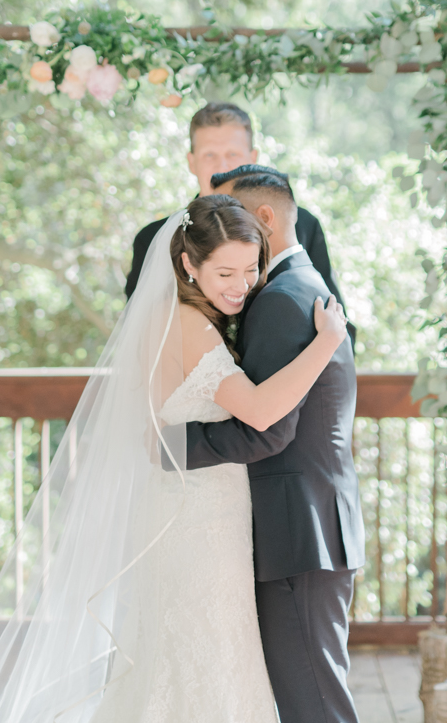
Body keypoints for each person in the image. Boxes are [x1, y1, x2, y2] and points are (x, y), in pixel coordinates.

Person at [0, 195, 348, 723]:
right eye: (226, 271)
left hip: (188, 510)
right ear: (189, 264)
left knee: (182, 656)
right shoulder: (189, 324)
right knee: (208, 656)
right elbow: (259, 411)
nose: (242, 284)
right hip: (196, 522)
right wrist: (326, 343)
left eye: (251, 268)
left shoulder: (172, 317)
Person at [184, 169, 363, 723]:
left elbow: (271, 428)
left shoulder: (282, 299)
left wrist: (174, 445)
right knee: (313, 694)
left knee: (313, 703)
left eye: (234, 215)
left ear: (262, 219)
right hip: (310, 522)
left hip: (297, 528)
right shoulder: (302, 286)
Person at [124, 104, 351, 337]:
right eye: (209, 155)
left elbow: (335, 314)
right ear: (191, 162)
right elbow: (139, 331)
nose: (222, 166)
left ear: (253, 158)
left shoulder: (300, 224)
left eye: (233, 154)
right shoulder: (152, 238)